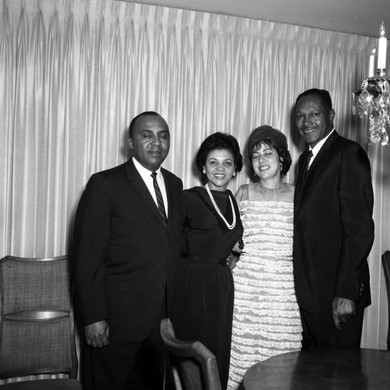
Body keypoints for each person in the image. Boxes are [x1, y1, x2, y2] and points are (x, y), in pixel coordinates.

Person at [72, 111, 183, 389]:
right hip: (114, 324)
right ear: (130, 143)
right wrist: (94, 317)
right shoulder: (105, 184)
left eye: (163, 135)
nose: (156, 142)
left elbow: (172, 247)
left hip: (159, 325)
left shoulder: (175, 184)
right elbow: (87, 258)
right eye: (147, 135)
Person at [293, 88, 374, 350]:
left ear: (332, 116)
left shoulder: (348, 153)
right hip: (310, 295)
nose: (307, 123)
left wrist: (345, 292)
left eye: (314, 114)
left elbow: (359, 230)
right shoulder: (304, 160)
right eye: (300, 116)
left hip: (337, 296)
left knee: (339, 378)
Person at [227, 126, 302, 390]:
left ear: (282, 157)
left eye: (267, 153)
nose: (261, 160)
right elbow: (229, 243)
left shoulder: (299, 195)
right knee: (240, 369)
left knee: (282, 368)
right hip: (245, 296)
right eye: (255, 155)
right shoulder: (243, 193)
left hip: (282, 296)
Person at [171, 132, 244, 389]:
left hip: (221, 286)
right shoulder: (189, 198)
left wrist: (234, 253)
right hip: (191, 284)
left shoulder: (235, 202)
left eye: (227, 162)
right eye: (213, 162)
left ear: (236, 168)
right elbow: (171, 246)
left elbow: (230, 238)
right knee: (192, 355)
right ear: (203, 166)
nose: (220, 168)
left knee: (217, 353)